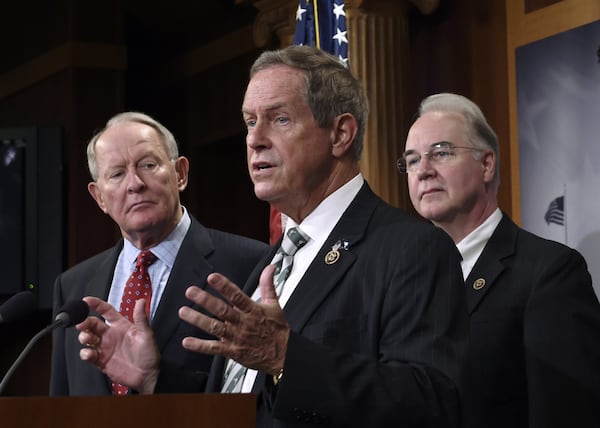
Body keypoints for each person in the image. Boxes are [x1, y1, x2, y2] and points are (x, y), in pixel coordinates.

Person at [76, 46, 469, 427]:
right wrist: (154, 378)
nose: (254, 139)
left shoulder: (411, 248)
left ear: (340, 133)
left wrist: (285, 356)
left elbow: (430, 403)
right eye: (250, 122)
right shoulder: (272, 261)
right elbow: (250, 406)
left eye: (279, 119)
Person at [400, 92, 600, 428]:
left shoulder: (549, 273)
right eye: (411, 160)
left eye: (440, 153)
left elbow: (566, 415)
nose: (423, 171)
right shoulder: (404, 278)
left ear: (487, 164)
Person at [50, 111, 268, 396]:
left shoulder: (249, 264)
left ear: (180, 173)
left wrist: (157, 379)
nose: (135, 183)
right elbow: (62, 407)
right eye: (117, 174)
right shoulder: (72, 288)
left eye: (148, 165)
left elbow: (261, 399)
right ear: (99, 197)